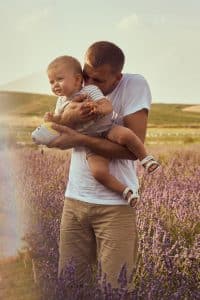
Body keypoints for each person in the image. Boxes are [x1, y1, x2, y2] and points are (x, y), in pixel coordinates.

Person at [46, 41, 153, 288]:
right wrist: (65, 121)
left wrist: (79, 139)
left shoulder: (134, 85)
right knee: (71, 286)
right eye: (86, 76)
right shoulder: (74, 87)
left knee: (117, 287)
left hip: (114, 207)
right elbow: (59, 132)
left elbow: (132, 149)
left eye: (99, 81)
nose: (90, 84)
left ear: (117, 79)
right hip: (74, 201)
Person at [32, 55, 160, 207]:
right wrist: (52, 119)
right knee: (99, 173)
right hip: (90, 141)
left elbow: (107, 106)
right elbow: (60, 125)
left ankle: (145, 159)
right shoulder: (60, 103)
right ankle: (126, 192)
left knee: (126, 135)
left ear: (78, 79)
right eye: (51, 82)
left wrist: (99, 109)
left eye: (59, 79)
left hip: (107, 129)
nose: (55, 85)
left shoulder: (90, 90)